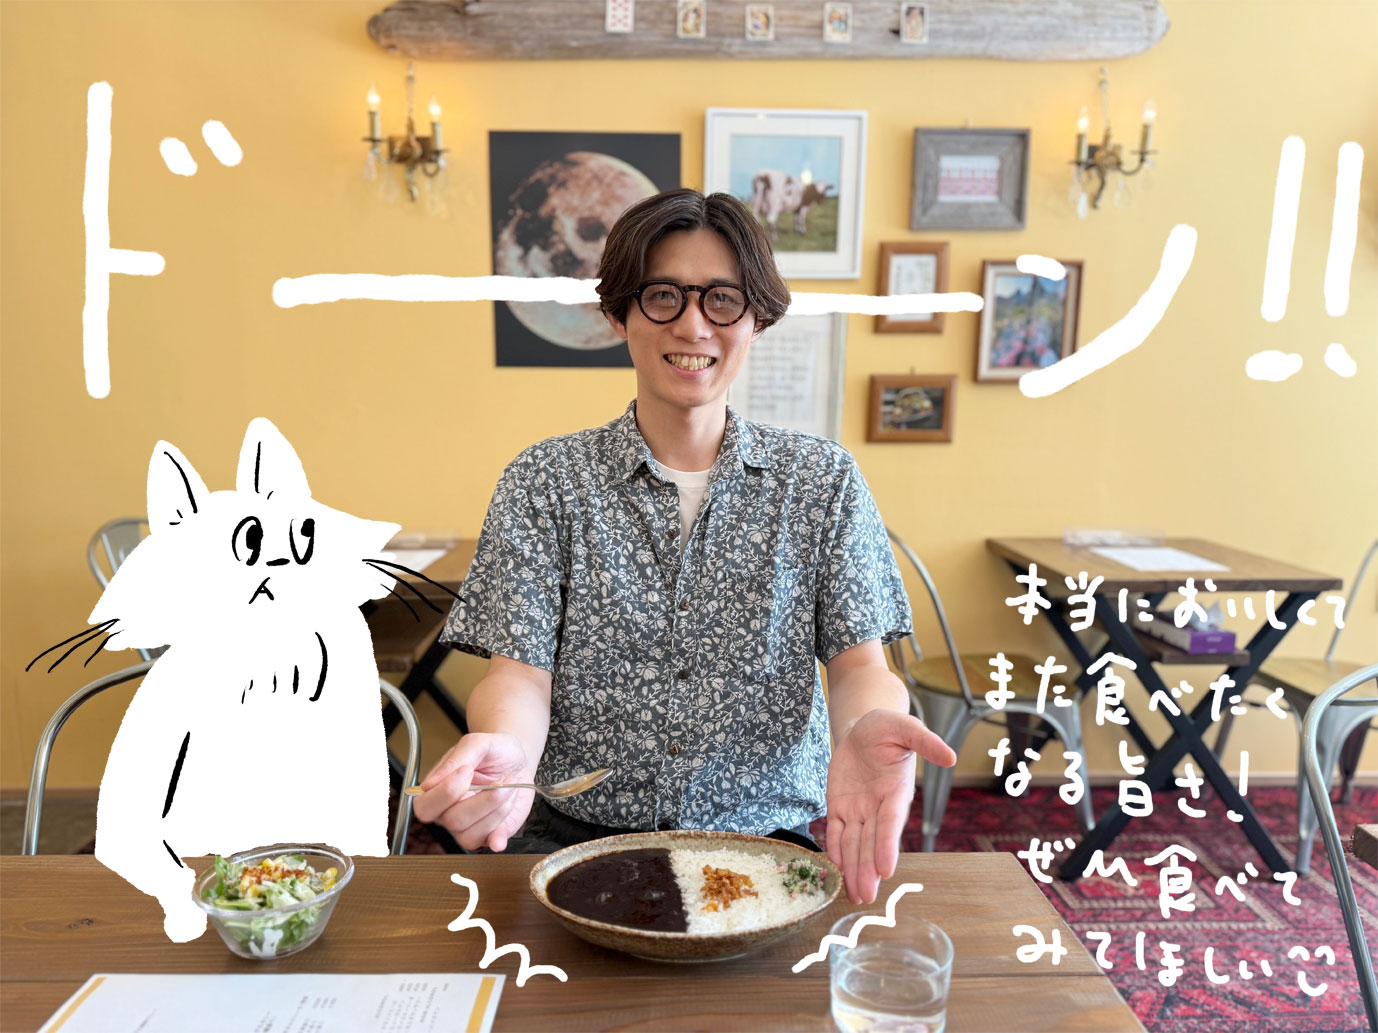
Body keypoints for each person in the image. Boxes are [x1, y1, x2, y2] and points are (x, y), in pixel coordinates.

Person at [413, 188, 956, 905]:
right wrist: (506, 747)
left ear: (756, 318)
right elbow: (519, 675)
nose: (694, 324)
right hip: (574, 836)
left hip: (766, 840)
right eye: (663, 296)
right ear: (620, 314)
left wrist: (865, 725)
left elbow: (861, 666)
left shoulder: (823, 481)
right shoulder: (544, 480)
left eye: (723, 300)